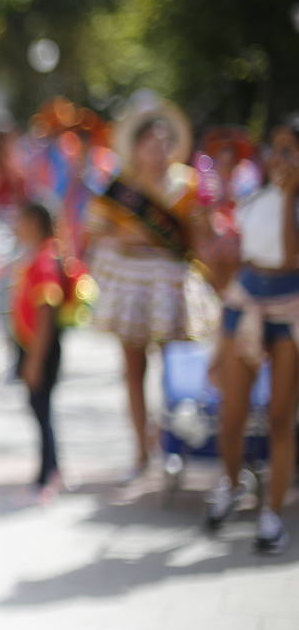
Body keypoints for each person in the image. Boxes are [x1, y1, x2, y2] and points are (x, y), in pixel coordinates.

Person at [85, 98, 216, 478]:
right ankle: (141, 451)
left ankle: (171, 445)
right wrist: (126, 238)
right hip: (132, 285)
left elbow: (198, 236)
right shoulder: (120, 187)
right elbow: (95, 228)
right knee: (133, 368)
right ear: (136, 146)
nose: (157, 150)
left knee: (174, 368)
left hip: (170, 287)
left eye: (163, 142)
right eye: (149, 142)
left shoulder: (187, 184)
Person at [207, 118, 299, 552]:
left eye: (290, 150)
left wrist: (290, 196)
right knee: (232, 414)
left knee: (280, 419)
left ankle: (272, 515)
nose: (281, 159)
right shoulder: (253, 197)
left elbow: (290, 255)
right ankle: (230, 484)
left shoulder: (287, 201)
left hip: (290, 309)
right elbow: (237, 257)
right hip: (246, 303)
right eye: (277, 149)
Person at [11, 202, 75, 500]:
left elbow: (46, 314)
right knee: (39, 409)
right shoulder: (40, 256)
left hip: (40, 348)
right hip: (33, 345)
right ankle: (49, 469)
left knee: (42, 410)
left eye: (22, 220)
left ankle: (48, 472)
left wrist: (35, 361)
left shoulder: (45, 261)